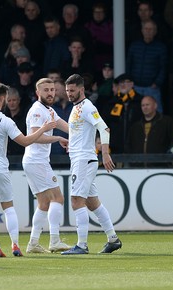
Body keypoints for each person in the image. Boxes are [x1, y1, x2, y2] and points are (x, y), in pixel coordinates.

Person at [0, 83, 56, 258]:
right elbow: (25, 141)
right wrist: (44, 129)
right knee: (8, 208)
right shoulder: (5, 120)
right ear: (1, 98)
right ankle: (15, 245)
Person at [61, 74, 121, 255]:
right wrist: (70, 143)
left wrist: (105, 153)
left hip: (84, 160)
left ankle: (82, 245)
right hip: (80, 159)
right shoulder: (76, 108)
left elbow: (104, 128)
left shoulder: (87, 106)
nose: (69, 94)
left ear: (81, 89)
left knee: (76, 200)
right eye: (67, 91)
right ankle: (113, 239)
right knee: (92, 203)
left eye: (72, 91)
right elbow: (80, 132)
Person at [22, 78, 71, 254]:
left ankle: (33, 243)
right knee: (58, 198)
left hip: (35, 161)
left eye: (52, 89)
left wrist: (80, 134)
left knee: (43, 203)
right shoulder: (37, 110)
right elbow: (35, 136)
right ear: (38, 92)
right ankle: (55, 240)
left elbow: (65, 126)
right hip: (36, 161)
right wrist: (58, 139)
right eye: (46, 90)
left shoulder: (48, 110)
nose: (50, 93)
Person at [127, 96, 173, 167]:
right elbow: (128, 146)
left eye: (147, 105)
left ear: (155, 106)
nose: (145, 107)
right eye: (142, 105)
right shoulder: (135, 126)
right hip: (138, 169)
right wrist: (132, 163)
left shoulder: (167, 122)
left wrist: (171, 160)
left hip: (161, 167)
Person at [126, 20, 167, 113]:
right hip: (135, 86)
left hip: (152, 87)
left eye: (151, 29)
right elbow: (129, 64)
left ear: (155, 32)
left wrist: (157, 83)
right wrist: (129, 81)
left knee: (156, 113)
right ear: (142, 30)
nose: (148, 31)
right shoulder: (135, 45)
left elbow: (163, 67)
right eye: (146, 29)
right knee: (135, 112)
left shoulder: (160, 47)